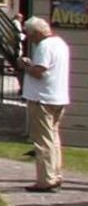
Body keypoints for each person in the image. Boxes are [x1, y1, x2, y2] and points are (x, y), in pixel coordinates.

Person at [20, 15, 71, 192]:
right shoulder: (60, 44)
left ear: (36, 32)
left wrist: (24, 65)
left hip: (42, 99)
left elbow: (39, 71)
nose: (29, 38)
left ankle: (46, 179)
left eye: (29, 34)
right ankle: (56, 174)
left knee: (43, 141)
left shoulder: (44, 46)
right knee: (54, 139)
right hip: (58, 97)